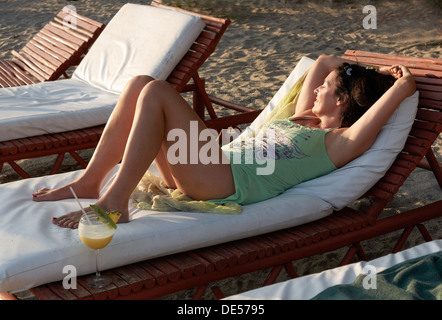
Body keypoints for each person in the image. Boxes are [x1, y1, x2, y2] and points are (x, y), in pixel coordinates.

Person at [32, 55, 416, 228]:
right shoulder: (304, 115)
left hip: (227, 183)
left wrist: (398, 84)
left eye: (326, 89)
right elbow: (324, 61)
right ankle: (89, 181)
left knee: (159, 92)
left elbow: (396, 97)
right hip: (207, 165)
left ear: (343, 101)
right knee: (139, 85)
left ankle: (115, 200)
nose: (315, 89)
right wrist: (368, 70)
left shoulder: (338, 141)